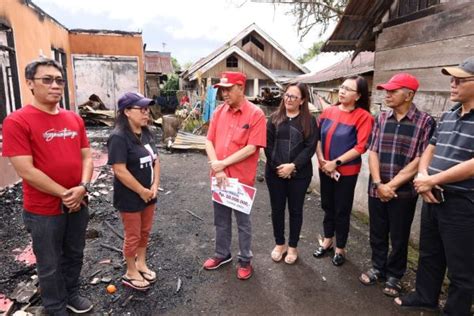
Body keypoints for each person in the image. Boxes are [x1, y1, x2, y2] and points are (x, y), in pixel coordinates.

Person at [2, 58, 93, 315]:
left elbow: (87, 156)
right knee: (49, 261)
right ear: (30, 83)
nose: (55, 85)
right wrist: (65, 193)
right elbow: (26, 170)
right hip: (43, 210)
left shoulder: (74, 119)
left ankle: (71, 293)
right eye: (47, 80)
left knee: (74, 253)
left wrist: (83, 187)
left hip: (78, 202)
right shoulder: (17, 121)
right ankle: (54, 306)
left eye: (59, 80)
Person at [395, 57, 474, 315]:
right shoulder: (449, 115)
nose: (452, 84)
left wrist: (432, 180)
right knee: (430, 253)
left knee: (461, 267)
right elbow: (430, 148)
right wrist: (423, 177)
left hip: (462, 202)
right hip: (431, 196)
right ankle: (425, 296)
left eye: (460, 80)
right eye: (452, 79)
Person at [359, 74, 436, 297]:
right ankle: (378, 267)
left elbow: (421, 159)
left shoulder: (425, 122)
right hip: (377, 186)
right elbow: (372, 150)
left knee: (399, 235)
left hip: (402, 192)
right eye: (387, 90)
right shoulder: (382, 118)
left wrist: (390, 185)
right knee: (377, 232)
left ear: (409, 95)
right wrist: (378, 183)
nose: (388, 94)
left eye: (393, 91)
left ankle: (395, 274)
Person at [203, 71, 266, 280]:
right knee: (220, 219)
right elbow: (208, 141)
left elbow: (251, 148)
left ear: (241, 87)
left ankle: (245, 260)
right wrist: (218, 167)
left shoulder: (255, 114)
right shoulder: (219, 112)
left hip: (240, 180)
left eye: (228, 89)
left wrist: (223, 164)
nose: (224, 94)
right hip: (219, 177)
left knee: (243, 223)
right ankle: (222, 254)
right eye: (221, 90)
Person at [313, 75, 374, 266]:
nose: (342, 91)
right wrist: (322, 159)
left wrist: (336, 163)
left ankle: (340, 248)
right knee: (327, 206)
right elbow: (317, 137)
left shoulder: (364, 117)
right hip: (325, 168)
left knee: (342, 209)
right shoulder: (328, 112)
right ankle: (327, 241)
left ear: (358, 96)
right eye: (342, 87)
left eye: (348, 89)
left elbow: (360, 147)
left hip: (345, 172)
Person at [107, 92, 160, 291]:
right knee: (133, 234)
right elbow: (119, 170)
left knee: (145, 231)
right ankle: (130, 270)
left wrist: (154, 185)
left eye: (147, 109)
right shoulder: (118, 137)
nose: (146, 113)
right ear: (127, 111)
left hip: (149, 194)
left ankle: (141, 263)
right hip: (130, 196)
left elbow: (155, 160)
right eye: (142, 109)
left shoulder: (146, 132)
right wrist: (141, 190)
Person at [265, 82, 318, 264]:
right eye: (287, 95)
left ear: (302, 100)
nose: (288, 99)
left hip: (300, 175)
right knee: (277, 209)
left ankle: (293, 246)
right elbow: (268, 146)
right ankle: (280, 244)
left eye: (293, 97)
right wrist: (280, 168)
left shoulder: (309, 121)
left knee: (296, 210)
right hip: (275, 173)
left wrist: (292, 166)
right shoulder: (273, 119)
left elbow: (310, 148)